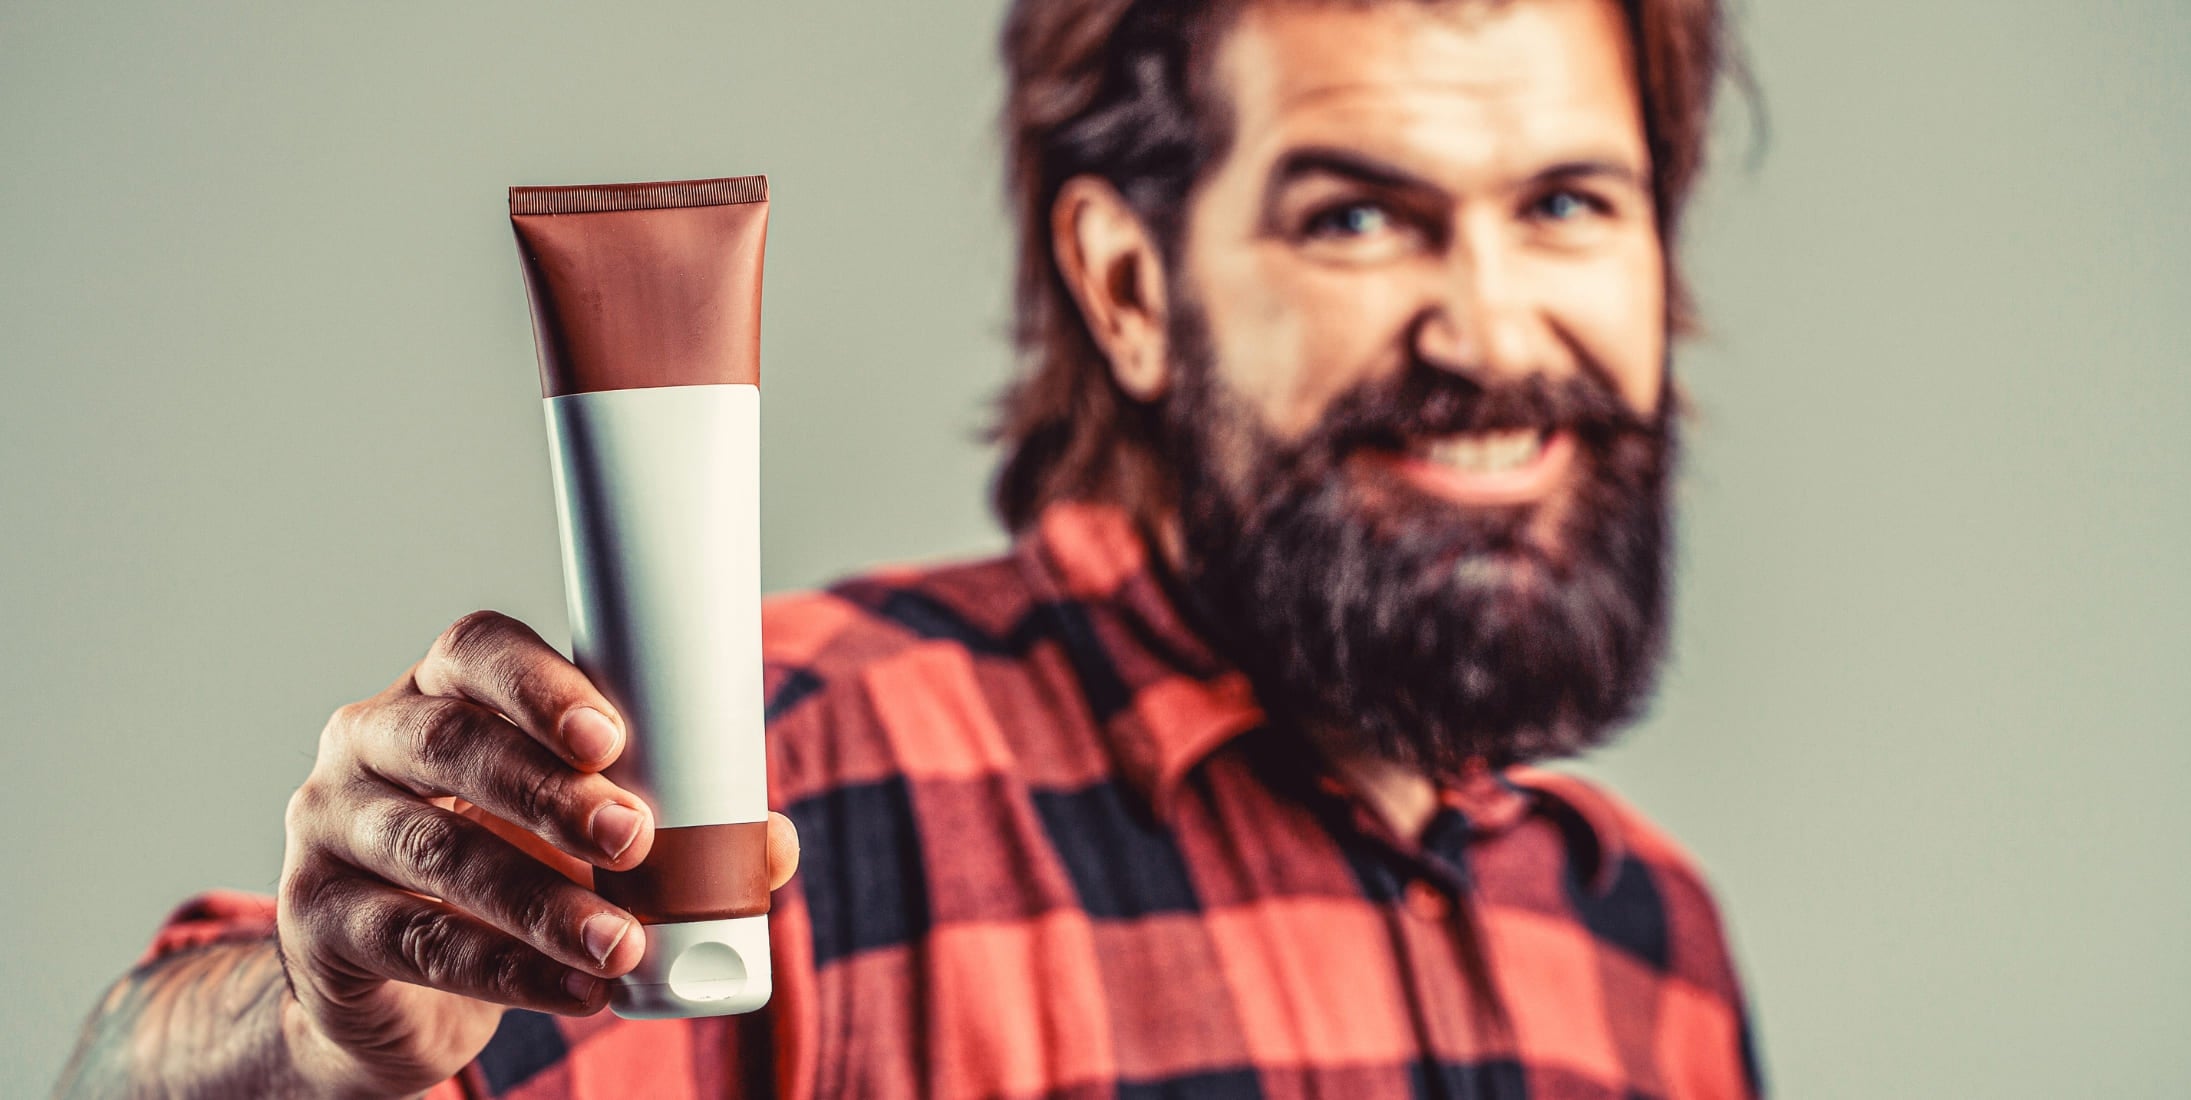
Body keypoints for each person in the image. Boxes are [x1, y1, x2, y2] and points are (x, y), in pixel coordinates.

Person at [55, 0, 1765, 1096]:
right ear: (1130, 288)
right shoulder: (785, 779)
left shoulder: (1651, 943)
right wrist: (314, 1033)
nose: (1488, 330)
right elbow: (125, 1074)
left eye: (1567, 203)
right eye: (1356, 216)